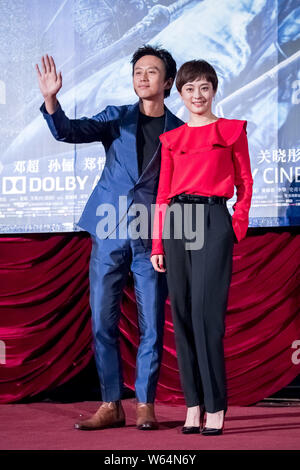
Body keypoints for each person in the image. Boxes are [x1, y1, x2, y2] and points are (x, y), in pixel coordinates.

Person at [36, 45, 183, 430]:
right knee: (103, 320)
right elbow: (69, 131)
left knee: (152, 322)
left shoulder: (181, 132)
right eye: (138, 71)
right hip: (109, 229)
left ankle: (146, 404)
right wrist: (52, 101)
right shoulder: (117, 117)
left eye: (152, 71)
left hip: (153, 238)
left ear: (167, 82)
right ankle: (111, 403)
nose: (142, 76)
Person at [151, 60, 253, 435]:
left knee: (207, 318)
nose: (197, 95)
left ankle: (216, 405)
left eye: (204, 88)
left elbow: (245, 182)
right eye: (190, 89)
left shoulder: (231, 131)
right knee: (181, 316)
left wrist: (234, 227)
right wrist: (158, 242)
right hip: (177, 221)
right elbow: (163, 194)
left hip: (212, 220)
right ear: (179, 94)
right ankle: (192, 404)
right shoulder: (171, 140)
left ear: (214, 91)